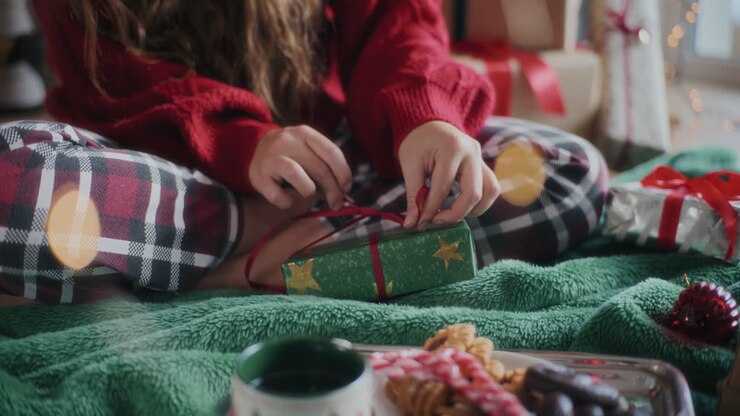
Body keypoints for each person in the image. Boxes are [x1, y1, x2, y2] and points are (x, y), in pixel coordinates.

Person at [0, 0, 608, 304]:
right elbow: (113, 82)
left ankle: (237, 269)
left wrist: (425, 121)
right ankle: (255, 252)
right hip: (175, 186)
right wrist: (248, 143)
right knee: (17, 190)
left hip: (336, 166)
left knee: (567, 174)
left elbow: (395, 23)